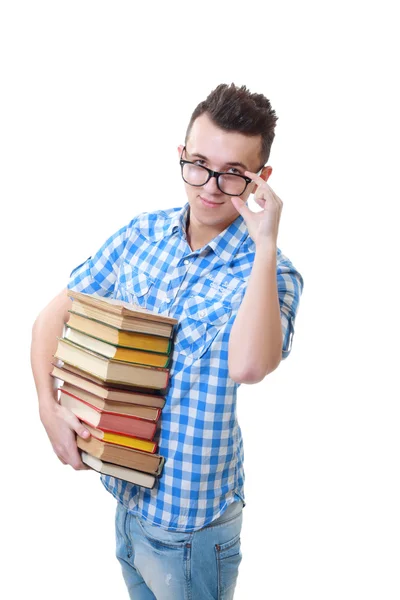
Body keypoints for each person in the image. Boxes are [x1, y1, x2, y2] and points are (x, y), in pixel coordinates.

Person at [31, 83, 304, 600]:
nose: (210, 187)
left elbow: (248, 367)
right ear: (182, 155)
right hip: (127, 507)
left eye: (233, 174)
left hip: (196, 529)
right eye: (199, 163)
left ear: (260, 180)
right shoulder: (142, 234)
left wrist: (265, 240)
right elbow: (50, 318)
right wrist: (48, 407)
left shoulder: (274, 274)